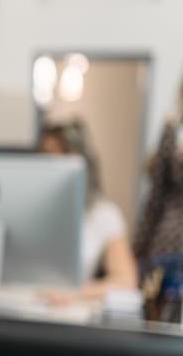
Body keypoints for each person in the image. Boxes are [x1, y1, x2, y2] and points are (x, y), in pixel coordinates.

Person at [38, 120, 138, 303]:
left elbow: (126, 281)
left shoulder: (103, 214)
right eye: (46, 155)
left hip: (68, 310)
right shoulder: (25, 208)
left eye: (62, 154)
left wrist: (77, 294)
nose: (53, 163)